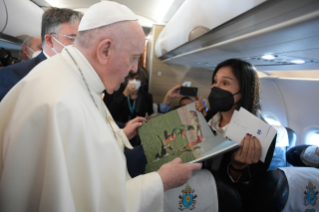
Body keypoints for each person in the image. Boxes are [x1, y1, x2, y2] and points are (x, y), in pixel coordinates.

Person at [0, 2, 202, 211]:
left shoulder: (75, 78)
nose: (134, 68)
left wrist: (120, 135)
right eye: (133, 58)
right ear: (105, 50)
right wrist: (160, 181)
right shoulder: (59, 101)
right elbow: (87, 205)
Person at [195, 58, 276, 211]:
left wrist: (238, 168)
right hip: (196, 193)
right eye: (215, 81)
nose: (215, 88)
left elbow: (250, 193)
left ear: (245, 89)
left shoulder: (262, 135)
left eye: (225, 83)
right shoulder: (208, 117)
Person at [0, 7, 83, 102]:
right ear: (49, 40)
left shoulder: (78, 73)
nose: (81, 45)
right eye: (73, 39)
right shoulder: (13, 75)